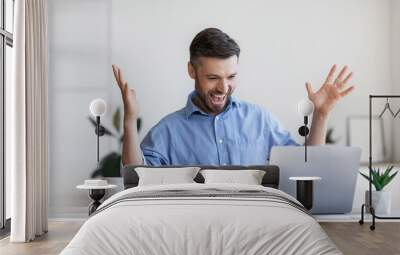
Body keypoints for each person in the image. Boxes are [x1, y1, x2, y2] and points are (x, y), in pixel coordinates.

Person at [112, 28, 354, 166]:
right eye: (213, 78)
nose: (223, 87)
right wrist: (129, 121)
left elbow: (304, 165)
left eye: (231, 77)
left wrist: (321, 115)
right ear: (192, 71)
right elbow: (136, 180)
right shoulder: (168, 131)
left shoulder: (260, 120)